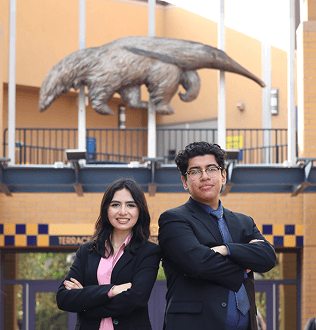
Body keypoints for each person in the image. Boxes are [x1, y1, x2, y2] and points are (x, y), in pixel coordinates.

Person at [158, 142, 276, 330]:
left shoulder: (244, 222)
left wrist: (226, 249)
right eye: (195, 171)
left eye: (211, 169)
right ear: (184, 182)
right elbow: (197, 263)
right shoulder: (173, 220)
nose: (205, 176)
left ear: (222, 176)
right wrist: (243, 265)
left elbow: (268, 257)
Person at [57, 178, 161, 330]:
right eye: (115, 205)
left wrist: (86, 304)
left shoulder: (149, 252)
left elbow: (135, 299)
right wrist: (111, 290)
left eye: (130, 205)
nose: (123, 211)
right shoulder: (86, 251)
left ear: (140, 210)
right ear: (106, 209)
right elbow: (63, 298)